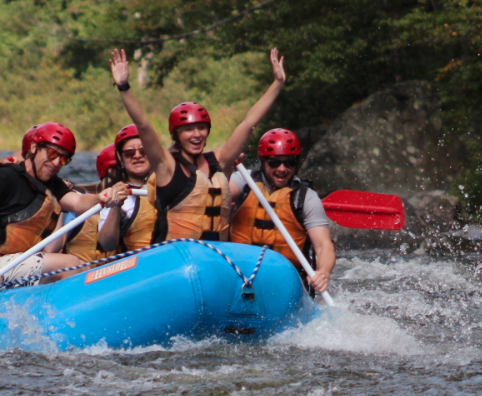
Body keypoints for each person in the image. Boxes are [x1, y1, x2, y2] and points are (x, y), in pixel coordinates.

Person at [109, 48, 287, 243]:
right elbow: (143, 125)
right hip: (176, 257)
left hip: (215, 256)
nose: (196, 135)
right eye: (188, 130)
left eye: (201, 128)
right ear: (176, 135)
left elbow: (248, 123)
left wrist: (277, 84)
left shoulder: (220, 160)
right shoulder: (166, 164)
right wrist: (124, 86)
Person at [0, 122, 128, 287]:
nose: (56, 163)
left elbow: (77, 202)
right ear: (34, 148)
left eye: (63, 159)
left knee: (77, 265)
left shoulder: (52, 183)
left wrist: (102, 197)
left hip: (15, 263)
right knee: (72, 264)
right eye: (52, 153)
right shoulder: (3, 177)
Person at [230, 128, 335, 294]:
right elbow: (219, 194)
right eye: (274, 162)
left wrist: (324, 272)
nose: (282, 169)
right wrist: (226, 166)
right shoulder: (243, 180)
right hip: (238, 274)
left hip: (285, 282)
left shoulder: (306, 198)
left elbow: (323, 245)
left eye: (289, 162)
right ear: (262, 161)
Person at [96, 124, 158, 254]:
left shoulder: (167, 184)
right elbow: (107, 244)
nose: (137, 156)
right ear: (121, 159)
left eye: (143, 151)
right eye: (129, 153)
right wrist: (115, 207)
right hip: (140, 263)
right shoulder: (114, 193)